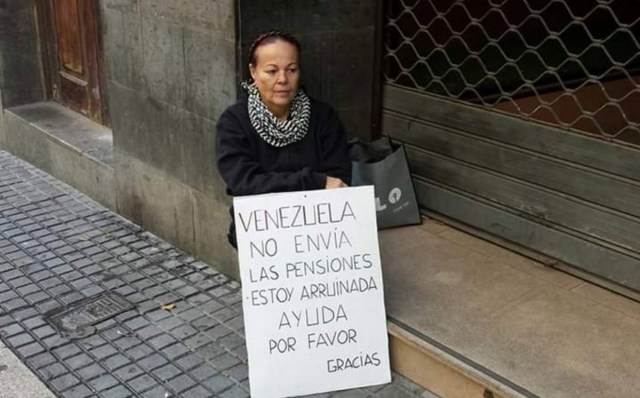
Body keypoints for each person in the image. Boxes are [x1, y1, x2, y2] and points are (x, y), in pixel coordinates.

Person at [216, 31, 352, 248]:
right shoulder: (234, 122)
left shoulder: (323, 117)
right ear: (253, 71)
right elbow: (245, 183)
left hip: (319, 225)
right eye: (271, 71)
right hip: (261, 226)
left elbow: (339, 176)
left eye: (292, 70)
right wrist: (315, 181)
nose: (283, 79)